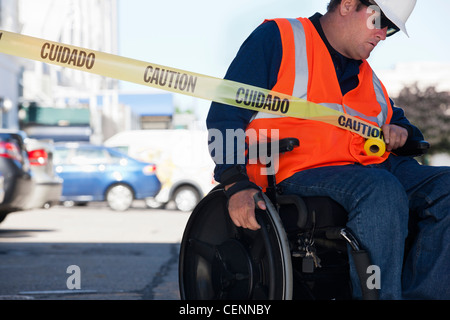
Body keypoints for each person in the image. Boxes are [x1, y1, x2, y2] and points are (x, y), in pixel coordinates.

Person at [206, 0, 450, 300]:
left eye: (392, 29)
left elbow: (405, 130)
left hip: (369, 169)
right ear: (348, 5)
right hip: (294, 170)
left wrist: (402, 133)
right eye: (380, 21)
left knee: (446, 186)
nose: (383, 34)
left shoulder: (367, 77)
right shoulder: (280, 38)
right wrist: (234, 182)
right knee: (379, 188)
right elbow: (225, 114)